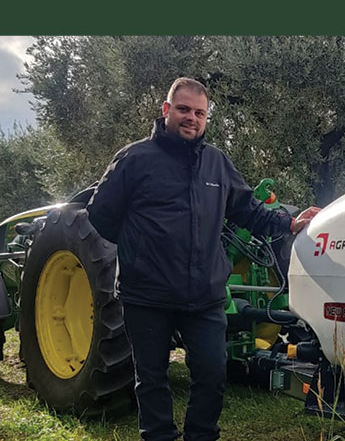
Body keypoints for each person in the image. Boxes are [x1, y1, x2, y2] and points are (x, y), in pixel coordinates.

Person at [86, 77, 319, 441]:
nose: (191, 118)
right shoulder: (135, 159)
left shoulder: (217, 164)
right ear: (166, 110)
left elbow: (248, 210)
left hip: (205, 294)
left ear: (206, 117)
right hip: (147, 294)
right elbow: (100, 214)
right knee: (152, 378)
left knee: (212, 374)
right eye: (183, 110)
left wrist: (290, 223)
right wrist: (140, 249)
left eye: (199, 112)